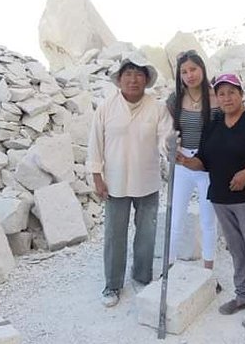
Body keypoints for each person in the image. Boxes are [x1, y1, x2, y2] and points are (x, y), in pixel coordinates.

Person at [179, 73, 245, 329]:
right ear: (216, 97)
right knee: (237, 250)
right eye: (221, 93)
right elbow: (203, 161)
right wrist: (184, 160)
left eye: (231, 92)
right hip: (222, 198)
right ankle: (243, 296)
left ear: (241, 94)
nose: (226, 98)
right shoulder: (213, 125)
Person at [87, 53, 173, 308]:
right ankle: (112, 284)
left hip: (147, 181)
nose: (133, 80)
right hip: (115, 182)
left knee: (146, 233)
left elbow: (164, 138)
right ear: (120, 79)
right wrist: (97, 177)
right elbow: (95, 144)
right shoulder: (106, 108)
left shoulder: (157, 108)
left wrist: (171, 148)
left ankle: (142, 276)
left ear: (146, 80)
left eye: (139, 75)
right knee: (115, 235)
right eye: (128, 74)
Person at [166, 50, 218, 270]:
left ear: (202, 69)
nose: (189, 75)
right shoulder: (175, 99)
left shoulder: (216, 96)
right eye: (184, 71)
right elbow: (167, 129)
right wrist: (172, 149)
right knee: (176, 216)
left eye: (193, 69)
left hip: (209, 164)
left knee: (208, 219)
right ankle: (168, 267)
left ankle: (208, 269)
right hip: (182, 162)